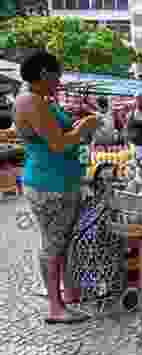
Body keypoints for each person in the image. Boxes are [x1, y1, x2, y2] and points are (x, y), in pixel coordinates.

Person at [14, 50, 97, 324]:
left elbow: (59, 135)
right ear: (43, 73)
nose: (59, 80)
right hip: (49, 183)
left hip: (61, 180)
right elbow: (58, 143)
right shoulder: (29, 101)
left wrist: (77, 128)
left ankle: (66, 294)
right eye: (56, 74)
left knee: (61, 240)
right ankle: (55, 307)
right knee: (53, 244)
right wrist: (83, 127)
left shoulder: (41, 100)